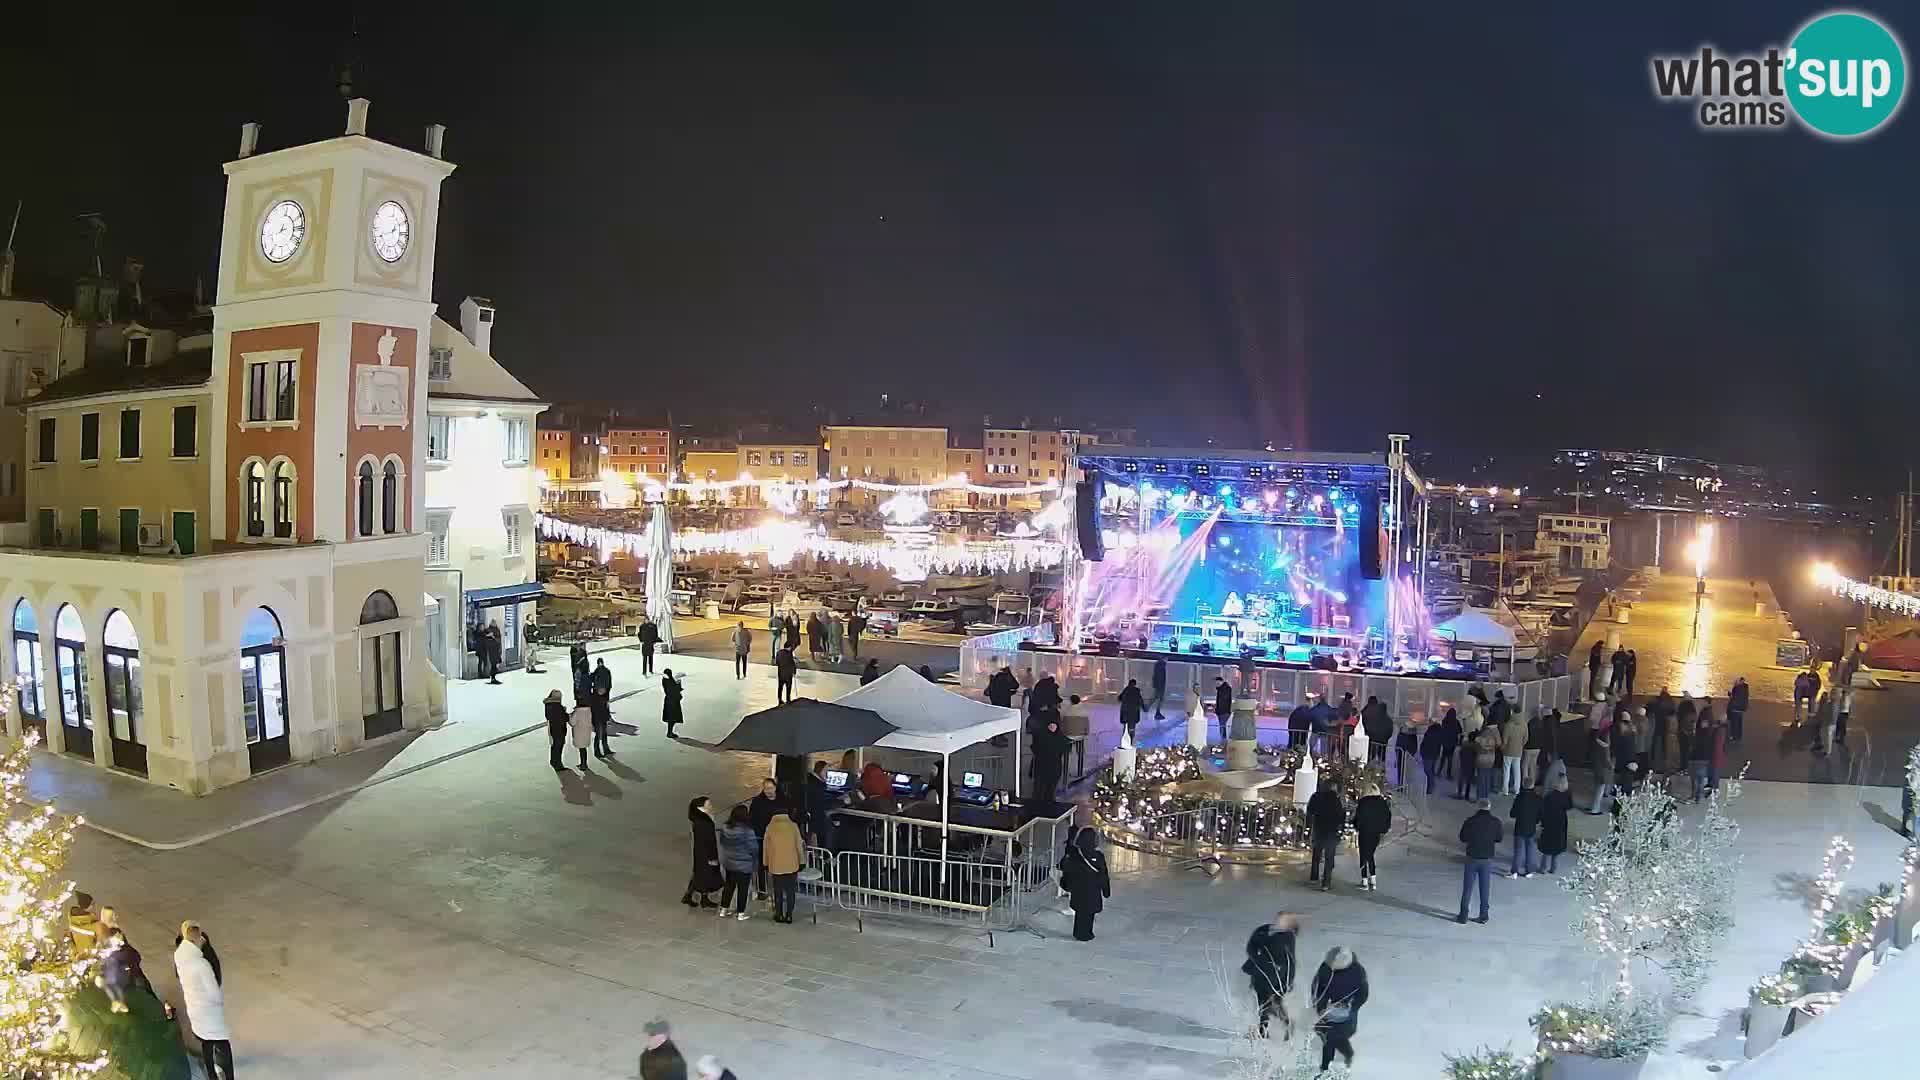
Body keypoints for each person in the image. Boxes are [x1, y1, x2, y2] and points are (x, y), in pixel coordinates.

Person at [174, 921, 233, 1080]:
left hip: (194, 1008)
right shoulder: (201, 965)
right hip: (209, 1010)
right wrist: (219, 1002)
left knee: (206, 1042)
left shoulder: (179, 955)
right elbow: (214, 992)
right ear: (195, 940)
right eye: (200, 938)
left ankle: (212, 1075)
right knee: (222, 1043)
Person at [1309, 946, 1369, 1073]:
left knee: (1330, 1039)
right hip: (1326, 1012)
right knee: (1331, 1038)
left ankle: (1325, 1069)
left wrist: (1352, 1006)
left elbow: (1363, 994)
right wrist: (1320, 1005)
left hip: (1345, 1015)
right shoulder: (1325, 968)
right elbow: (1317, 988)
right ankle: (1347, 1053)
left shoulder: (1357, 972)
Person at [1243, 912, 1300, 1038]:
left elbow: (1290, 961)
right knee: (1262, 1003)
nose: (1279, 920)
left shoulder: (1288, 937)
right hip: (1260, 973)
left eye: (1284, 920)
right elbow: (1251, 946)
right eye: (1279, 918)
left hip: (1276, 976)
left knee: (1272, 1003)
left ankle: (1286, 1024)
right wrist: (1257, 957)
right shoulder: (1263, 930)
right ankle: (1265, 1030)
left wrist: (1288, 981)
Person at [1058, 827, 1111, 941]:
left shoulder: (1075, 855)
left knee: (1080, 912)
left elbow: (1066, 869)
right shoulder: (1098, 856)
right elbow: (1104, 875)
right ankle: (1087, 932)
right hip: (1093, 890)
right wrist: (1106, 891)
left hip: (1079, 890)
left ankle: (1079, 932)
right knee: (1089, 913)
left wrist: (1066, 884)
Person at [1457, 799, 1502, 923]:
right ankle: (1483, 915)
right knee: (1485, 888)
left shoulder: (1470, 821)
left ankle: (1463, 915)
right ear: (1489, 807)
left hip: (1472, 857)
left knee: (1467, 888)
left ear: (1478, 807)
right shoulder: (1496, 822)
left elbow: (1462, 837)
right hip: (1487, 859)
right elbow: (1499, 838)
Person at [763, 805, 805, 924]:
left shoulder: (770, 828)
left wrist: (765, 863)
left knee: (778, 891)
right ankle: (789, 915)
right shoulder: (793, 826)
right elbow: (799, 846)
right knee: (791, 891)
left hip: (775, 865)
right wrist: (802, 862)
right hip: (792, 865)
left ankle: (779, 914)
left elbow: (765, 848)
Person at [717, 804, 759, 920]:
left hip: (729, 862)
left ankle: (723, 909)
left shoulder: (725, 827)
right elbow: (753, 848)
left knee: (729, 886)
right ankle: (740, 913)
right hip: (744, 864)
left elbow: (722, 842)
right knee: (743, 888)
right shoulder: (747, 831)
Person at [1305, 781, 1345, 891]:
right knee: (1329, 857)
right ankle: (1326, 882)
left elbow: (1310, 810)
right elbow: (1340, 816)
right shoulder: (1336, 800)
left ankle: (1314, 876)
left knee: (1316, 853)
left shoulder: (1316, 796)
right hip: (1332, 831)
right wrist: (1340, 829)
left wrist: (1310, 824)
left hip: (1319, 828)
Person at [1353, 785, 1391, 891]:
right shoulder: (1382, 803)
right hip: (1376, 833)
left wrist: (1357, 826)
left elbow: (1358, 817)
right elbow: (1387, 817)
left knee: (1364, 855)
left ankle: (1365, 879)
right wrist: (1384, 829)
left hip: (1364, 832)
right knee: (1370, 854)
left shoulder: (1363, 802)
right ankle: (1373, 878)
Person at [1538, 776, 1573, 874]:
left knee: (1547, 847)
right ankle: (1553, 868)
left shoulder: (1549, 796)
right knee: (1557, 846)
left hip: (1550, 821)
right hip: (1561, 821)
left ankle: (1543, 868)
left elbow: (1543, 809)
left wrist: (1542, 821)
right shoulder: (1567, 795)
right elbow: (1570, 806)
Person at [1509, 782, 1543, 878]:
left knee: (1518, 851)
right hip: (1531, 828)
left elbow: (1512, 814)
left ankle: (1514, 872)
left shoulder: (1519, 798)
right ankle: (1529, 871)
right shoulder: (1538, 798)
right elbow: (1540, 814)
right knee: (1530, 850)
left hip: (1520, 827)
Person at [1032, 719, 1070, 801]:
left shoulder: (1060, 737)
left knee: (1050, 790)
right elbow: (1035, 748)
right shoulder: (1041, 735)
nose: (1052, 727)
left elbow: (1065, 747)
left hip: (1054, 767)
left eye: (1054, 725)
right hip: (1042, 767)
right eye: (1050, 725)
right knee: (1039, 790)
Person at [1586, 722, 1616, 815]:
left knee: (1597, 787)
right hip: (1602, 768)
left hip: (1596, 765)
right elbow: (1606, 758)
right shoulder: (1605, 743)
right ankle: (1595, 809)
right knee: (1600, 788)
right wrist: (1611, 765)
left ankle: (1592, 806)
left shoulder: (1595, 737)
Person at [1647, 687, 1676, 772]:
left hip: (1657, 725)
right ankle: (1664, 759)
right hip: (1665, 725)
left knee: (1654, 742)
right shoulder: (1669, 702)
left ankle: (1653, 759)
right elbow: (1673, 711)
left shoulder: (1657, 702)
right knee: (1664, 743)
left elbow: (1649, 707)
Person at [1500, 704, 1526, 795]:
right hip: (1518, 751)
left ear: (1513, 712)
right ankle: (1517, 789)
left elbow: (1505, 740)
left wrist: (1503, 748)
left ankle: (1505, 790)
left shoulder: (1508, 724)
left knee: (1506, 771)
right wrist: (1521, 745)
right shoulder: (1524, 724)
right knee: (1517, 771)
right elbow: (1526, 738)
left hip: (1508, 751)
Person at [590, 658, 614, 758]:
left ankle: (602, 749)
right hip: (599, 714)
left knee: (602, 732)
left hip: (600, 714)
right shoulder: (601, 696)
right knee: (600, 732)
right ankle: (600, 749)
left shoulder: (596, 696)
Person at [1472, 720, 1500, 802]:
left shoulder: (1482, 734)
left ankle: (1479, 797)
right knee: (1487, 778)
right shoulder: (1495, 735)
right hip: (1491, 759)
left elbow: (1477, 744)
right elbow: (1499, 744)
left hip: (1481, 759)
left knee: (1481, 778)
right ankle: (1485, 796)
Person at [1360, 695, 1392, 763]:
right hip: (1383, 739)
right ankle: (1382, 769)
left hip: (1372, 738)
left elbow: (1364, 722)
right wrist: (1386, 737)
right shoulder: (1387, 718)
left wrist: (1367, 733)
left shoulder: (1367, 711)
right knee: (1381, 756)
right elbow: (1390, 730)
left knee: (1370, 755)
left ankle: (1367, 767)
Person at [544, 689, 569, 770]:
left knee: (554, 746)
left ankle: (553, 761)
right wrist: (565, 711)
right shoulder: (558, 707)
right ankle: (558, 764)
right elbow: (565, 718)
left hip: (553, 728)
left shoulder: (548, 705)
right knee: (559, 747)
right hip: (560, 729)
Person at [1419, 719, 1446, 794]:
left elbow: (1425, 742)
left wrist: (1421, 751)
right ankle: (1431, 786)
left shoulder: (1430, 732)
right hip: (1434, 754)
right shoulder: (1440, 732)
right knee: (1431, 770)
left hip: (1428, 753)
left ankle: (1429, 787)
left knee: (1428, 771)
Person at [568, 693, 594, 769]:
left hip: (579, 733)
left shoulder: (577, 712)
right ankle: (583, 763)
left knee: (582, 749)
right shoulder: (589, 711)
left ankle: (583, 765)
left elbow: (572, 722)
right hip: (586, 732)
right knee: (583, 749)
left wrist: (570, 716)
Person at [1118, 679, 1145, 747]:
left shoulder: (1126, 690)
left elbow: (1120, 698)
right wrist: (1144, 708)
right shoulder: (1136, 691)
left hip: (1126, 713)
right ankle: (1130, 741)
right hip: (1134, 713)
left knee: (1126, 727)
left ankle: (1125, 741)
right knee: (1132, 728)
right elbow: (1140, 700)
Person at [1438, 705, 1461, 780]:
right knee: (1450, 759)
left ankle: (1438, 772)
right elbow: (1460, 731)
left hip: (1445, 742)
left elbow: (1442, 731)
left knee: (1443, 758)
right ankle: (1448, 774)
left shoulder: (1445, 721)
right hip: (1452, 743)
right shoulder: (1456, 722)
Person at [660, 669, 685, 738]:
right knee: (672, 718)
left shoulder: (666, 680)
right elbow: (673, 690)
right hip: (672, 702)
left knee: (672, 719)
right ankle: (669, 733)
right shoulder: (668, 681)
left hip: (670, 701)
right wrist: (678, 684)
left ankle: (670, 732)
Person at [1675, 692, 1697, 766]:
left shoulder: (1681, 707)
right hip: (1690, 730)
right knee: (1689, 749)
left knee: (1682, 749)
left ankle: (1683, 765)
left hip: (1682, 730)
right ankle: (1687, 765)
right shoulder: (1692, 709)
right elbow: (1694, 719)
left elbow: (1678, 717)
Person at [1727, 676, 1749, 744]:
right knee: (1739, 722)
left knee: (1734, 723)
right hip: (1742, 708)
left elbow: (1734, 697)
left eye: (1737, 681)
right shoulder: (1745, 688)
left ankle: (1734, 737)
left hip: (1735, 708)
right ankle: (1739, 736)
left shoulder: (1737, 688)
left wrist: (1730, 694)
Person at [1214, 677, 1234, 742]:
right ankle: (1223, 739)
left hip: (1224, 711)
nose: (1216, 684)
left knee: (1223, 726)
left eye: (1217, 682)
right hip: (1221, 711)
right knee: (1222, 726)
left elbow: (1223, 700)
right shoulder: (1221, 689)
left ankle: (1224, 740)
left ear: (1221, 682)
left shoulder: (1225, 689)